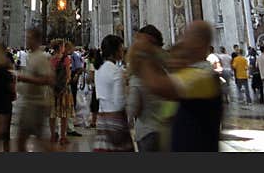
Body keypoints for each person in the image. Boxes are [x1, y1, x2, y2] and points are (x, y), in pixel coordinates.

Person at [133, 21, 222, 152]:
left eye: (187, 36)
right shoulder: (191, 72)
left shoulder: (203, 76)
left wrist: (142, 53)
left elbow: (157, 86)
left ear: (199, 42)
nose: (183, 40)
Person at [127, 25, 166, 152]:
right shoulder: (168, 68)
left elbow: (133, 108)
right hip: (168, 131)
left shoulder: (139, 76)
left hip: (147, 132)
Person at [93, 34, 133, 152]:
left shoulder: (99, 69)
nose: (123, 51)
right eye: (121, 49)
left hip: (102, 118)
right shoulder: (116, 71)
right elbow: (119, 103)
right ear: (114, 51)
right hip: (115, 120)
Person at [16, 28, 52, 152]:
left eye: (29, 38)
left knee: (35, 140)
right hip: (28, 103)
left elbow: (48, 79)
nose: (27, 40)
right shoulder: (31, 56)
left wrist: (24, 78)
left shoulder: (41, 57)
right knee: (25, 139)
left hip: (35, 105)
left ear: (36, 40)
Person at [48, 40, 74, 146]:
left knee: (52, 113)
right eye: (63, 46)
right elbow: (68, 76)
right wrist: (64, 86)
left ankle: (53, 135)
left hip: (52, 89)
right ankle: (63, 137)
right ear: (60, 47)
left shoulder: (50, 59)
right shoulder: (66, 59)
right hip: (64, 90)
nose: (64, 48)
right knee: (64, 114)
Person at [66, 41, 83, 135]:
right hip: (68, 78)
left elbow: (80, 68)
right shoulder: (66, 57)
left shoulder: (75, 56)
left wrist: (76, 75)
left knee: (72, 99)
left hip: (72, 77)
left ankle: (72, 121)